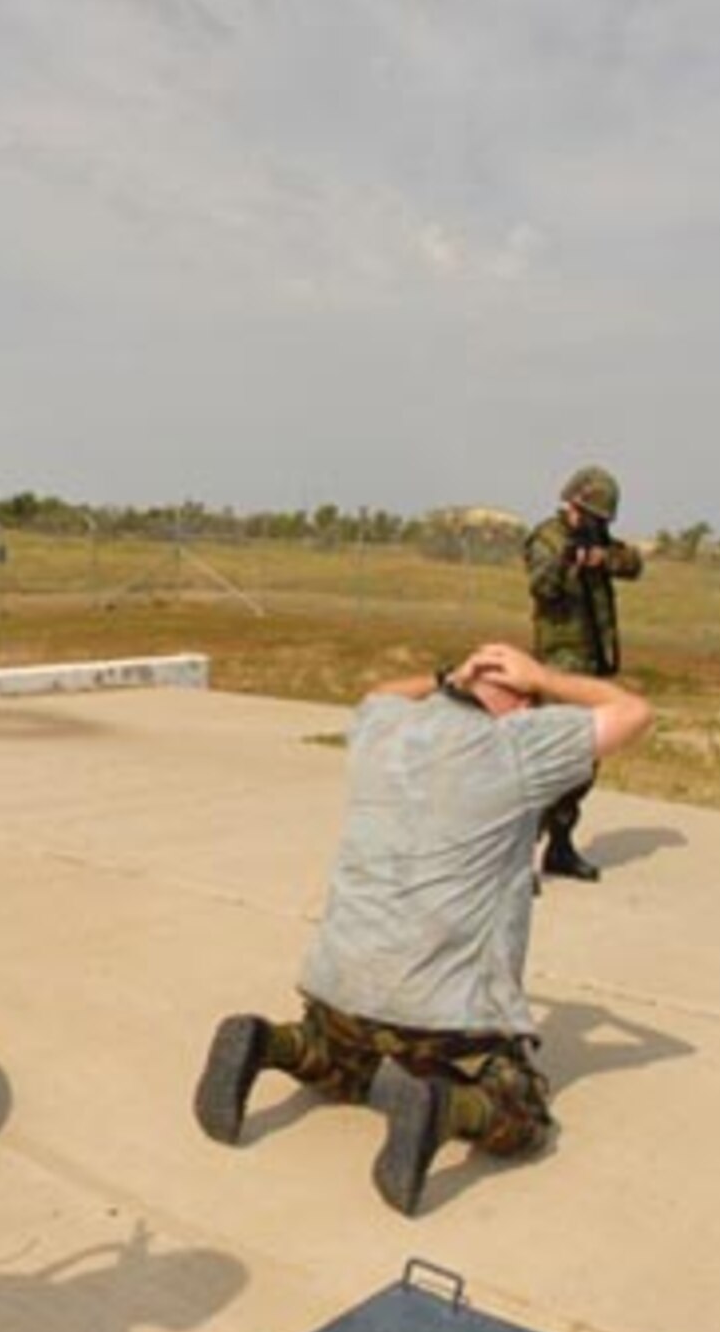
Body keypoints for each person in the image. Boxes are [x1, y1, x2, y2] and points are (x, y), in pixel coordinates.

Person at [191, 642, 653, 1216]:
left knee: (340, 1070)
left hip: (340, 990)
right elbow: (633, 712)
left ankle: (269, 1042)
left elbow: (378, 693)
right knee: (523, 1114)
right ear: (520, 705)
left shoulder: (387, 727)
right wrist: (545, 676)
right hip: (443, 1019)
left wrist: (446, 675)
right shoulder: (517, 747)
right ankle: (444, 1107)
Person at [523, 464, 645, 880]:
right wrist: (568, 562)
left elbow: (634, 564)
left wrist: (601, 558)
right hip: (559, 667)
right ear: (573, 505)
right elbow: (543, 589)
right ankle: (519, 858)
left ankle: (560, 845)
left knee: (584, 764)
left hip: (593, 666)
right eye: (592, 517)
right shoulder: (547, 538)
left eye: (602, 521)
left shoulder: (599, 541)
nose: (596, 525)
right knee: (552, 761)